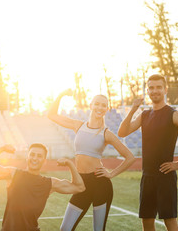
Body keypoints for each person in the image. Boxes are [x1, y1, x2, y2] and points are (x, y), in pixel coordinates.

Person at [117, 74, 178, 231]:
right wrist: (132, 110)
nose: (154, 91)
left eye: (158, 87)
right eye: (151, 87)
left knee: (170, 222)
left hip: (165, 176)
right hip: (147, 176)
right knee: (147, 221)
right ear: (147, 91)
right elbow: (122, 132)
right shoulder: (144, 115)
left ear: (165, 90)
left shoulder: (173, 114)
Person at [47, 89, 135, 231]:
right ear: (91, 105)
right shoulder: (78, 125)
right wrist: (61, 94)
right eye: (97, 104)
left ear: (106, 109)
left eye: (103, 105)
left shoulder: (107, 133)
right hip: (80, 183)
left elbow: (130, 157)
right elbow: (51, 115)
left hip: (100, 184)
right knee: (65, 229)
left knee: (98, 230)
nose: (100, 108)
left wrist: (111, 174)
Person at [0, 143, 86, 231]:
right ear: (27, 157)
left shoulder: (49, 183)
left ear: (44, 161)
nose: (35, 158)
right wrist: (1, 149)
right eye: (32, 154)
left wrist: (69, 164)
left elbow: (79, 187)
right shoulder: (13, 174)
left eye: (39, 156)